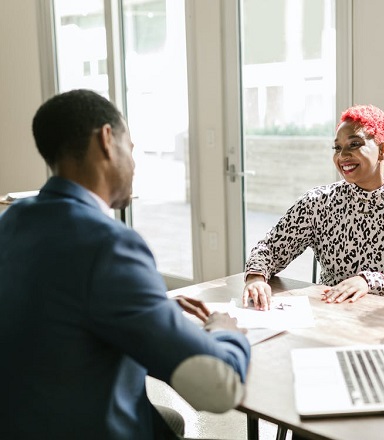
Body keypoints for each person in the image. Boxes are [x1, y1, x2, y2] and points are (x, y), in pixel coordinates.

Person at [0, 89, 251, 439]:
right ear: (106, 140)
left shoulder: (12, 221)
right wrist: (225, 331)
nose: (133, 165)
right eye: (131, 149)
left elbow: (56, 305)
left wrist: (146, 306)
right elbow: (218, 386)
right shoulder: (108, 243)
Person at [243, 104, 384, 310]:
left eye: (354, 144)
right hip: (330, 316)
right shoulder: (317, 202)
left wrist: (368, 281)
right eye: (337, 148)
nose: (342, 156)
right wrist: (256, 277)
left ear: (383, 150)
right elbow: (270, 248)